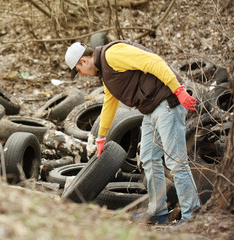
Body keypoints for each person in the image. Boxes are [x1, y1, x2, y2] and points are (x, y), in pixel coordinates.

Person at [64, 40, 200, 226]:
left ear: (84, 61)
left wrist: (179, 90)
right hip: (151, 108)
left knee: (175, 161)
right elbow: (109, 103)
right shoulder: (106, 72)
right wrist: (101, 136)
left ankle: (190, 216)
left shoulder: (113, 55)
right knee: (148, 158)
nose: (81, 74)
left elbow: (154, 61)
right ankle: (158, 212)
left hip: (167, 101)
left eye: (78, 70)